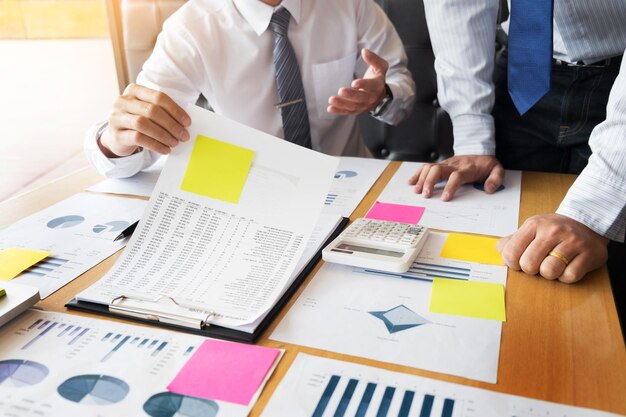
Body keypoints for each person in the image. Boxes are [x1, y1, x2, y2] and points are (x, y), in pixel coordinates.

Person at [410, 0, 626, 284]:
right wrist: (473, 141)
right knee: (510, 263)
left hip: (617, 84)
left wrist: (594, 211)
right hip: (524, 76)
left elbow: (596, 215)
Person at [85, 0, 415, 178]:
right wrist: (115, 141)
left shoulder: (352, 6)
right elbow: (142, 136)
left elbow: (402, 96)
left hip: (347, 181)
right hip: (250, 194)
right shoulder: (191, 28)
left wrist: (382, 95)